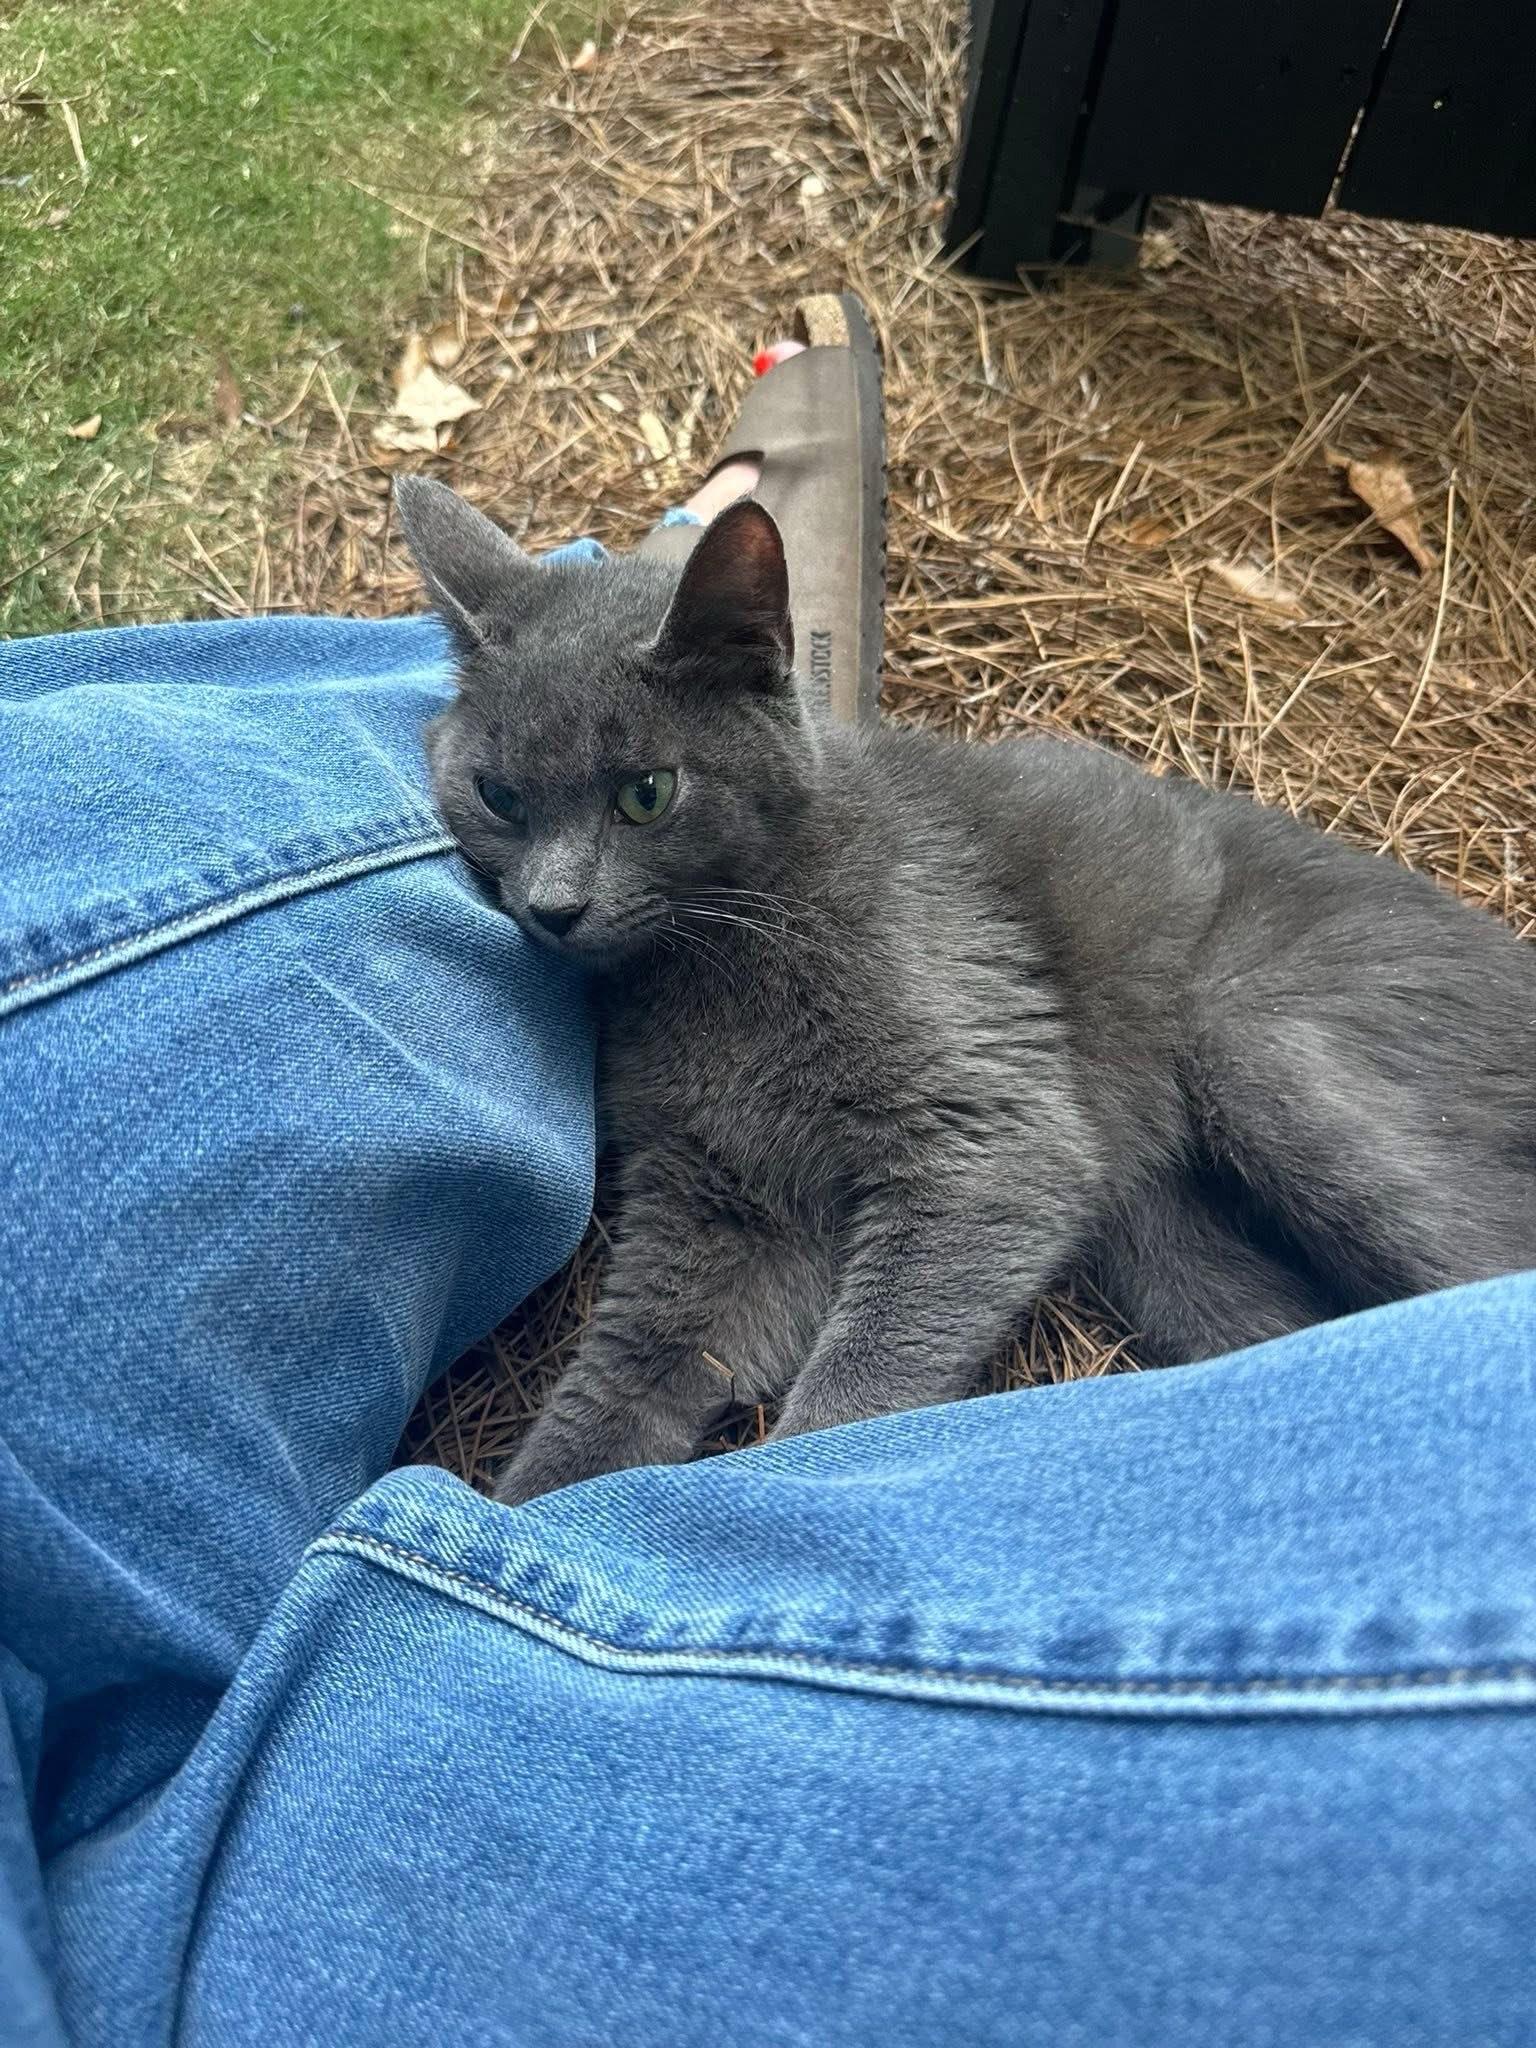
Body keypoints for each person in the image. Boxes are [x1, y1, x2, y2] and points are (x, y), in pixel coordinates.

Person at [1, 296, 1532, 2048]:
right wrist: (521, 1526)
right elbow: (687, 1312)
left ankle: (678, 553)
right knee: (1216, 1322)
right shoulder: (617, 971)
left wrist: (815, 1468)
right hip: (1120, 1138)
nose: (556, 890)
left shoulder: (832, 905)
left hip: (1235, 943)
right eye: (507, 807)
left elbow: (994, 1162)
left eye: (634, 804)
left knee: (1346, 1158)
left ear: (749, 692)